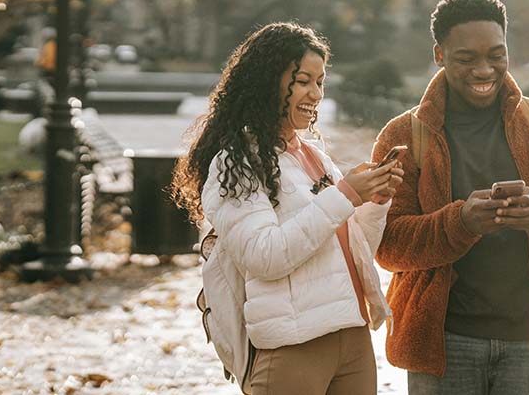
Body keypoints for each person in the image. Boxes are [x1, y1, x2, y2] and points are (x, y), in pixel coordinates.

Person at [372, 0, 529, 394]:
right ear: (439, 55)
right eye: (466, 59)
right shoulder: (403, 136)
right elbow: (386, 245)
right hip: (442, 344)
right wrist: (458, 223)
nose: (484, 70)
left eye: (496, 55)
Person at [170, 22, 403, 394]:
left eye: (320, 81)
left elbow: (354, 253)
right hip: (294, 347)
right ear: (268, 82)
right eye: (303, 80)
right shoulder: (238, 163)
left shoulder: (316, 157)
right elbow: (265, 257)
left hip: (352, 337)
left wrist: (374, 202)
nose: (315, 93)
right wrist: (343, 195)